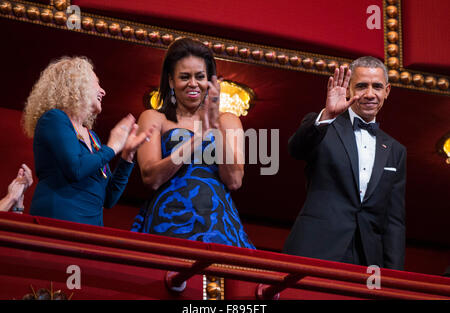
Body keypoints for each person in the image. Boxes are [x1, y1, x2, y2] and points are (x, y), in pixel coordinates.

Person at [283, 56, 406, 270]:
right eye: (361, 86)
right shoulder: (324, 125)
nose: (370, 94)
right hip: (316, 249)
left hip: (368, 261)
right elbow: (296, 149)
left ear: (387, 91)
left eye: (377, 86)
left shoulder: (396, 150)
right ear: (348, 89)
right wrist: (328, 115)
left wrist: (394, 278)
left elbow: (394, 221)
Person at [131, 38, 254, 249]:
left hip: (218, 227)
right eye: (184, 77)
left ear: (210, 81)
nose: (193, 84)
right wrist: (197, 139)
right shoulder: (153, 118)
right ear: (170, 81)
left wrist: (214, 127)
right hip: (167, 223)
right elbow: (151, 177)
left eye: (200, 76)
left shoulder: (228, 120)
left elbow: (234, 180)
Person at [22, 56, 153, 226]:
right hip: (57, 223)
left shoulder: (93, 138)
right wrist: (112, 147)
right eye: (97, 83)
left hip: (90, 230)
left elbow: (109, 198)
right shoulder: (54, 119)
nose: (103, 91)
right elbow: (76, 169)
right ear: (77, 84)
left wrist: (127, 156)